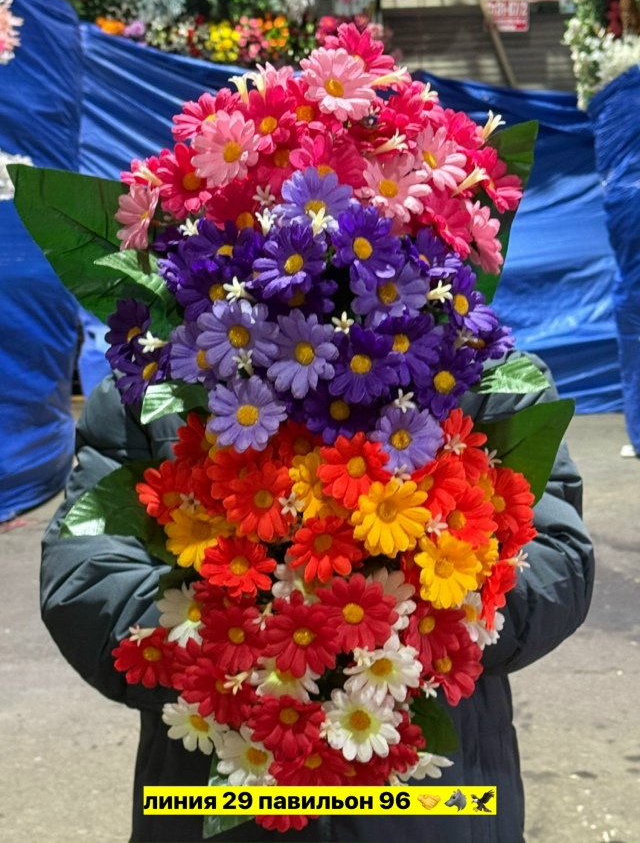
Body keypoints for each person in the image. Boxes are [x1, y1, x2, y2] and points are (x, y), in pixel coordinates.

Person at [40, 350, 595, 843]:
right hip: (224, 786)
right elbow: (85, 582)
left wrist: (401, 624)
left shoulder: (485, 374)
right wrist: (252, 635)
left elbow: (557, 564)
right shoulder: (152, 381)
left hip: (433, 799)